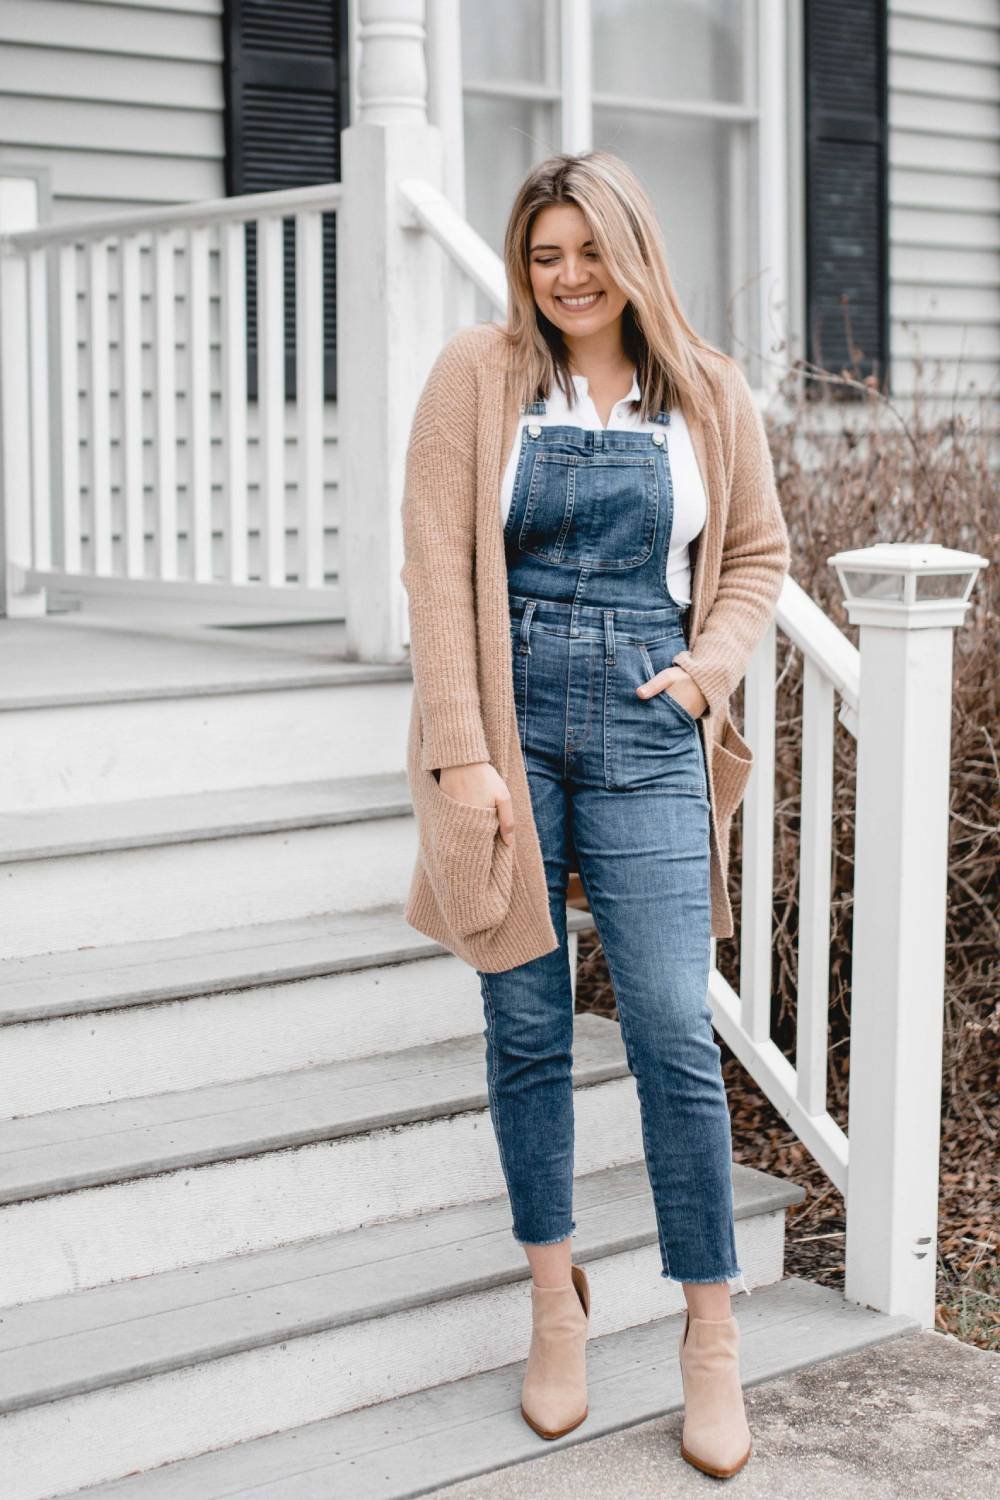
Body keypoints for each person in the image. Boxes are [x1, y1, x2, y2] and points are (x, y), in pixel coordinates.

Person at [399, 151, 790, 1480]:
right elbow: (435, 566)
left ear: (634, 253)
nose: (566, 277)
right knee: (523, 1023)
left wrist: (706, 674)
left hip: (645, 725)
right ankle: (554, 1299)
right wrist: (464, 756)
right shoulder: (480, 373)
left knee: (675, 1026)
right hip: (512, 735)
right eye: (542, 253)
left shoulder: (709, 391)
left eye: (587, 251)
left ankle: (709, 1333)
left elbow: (754, 558)